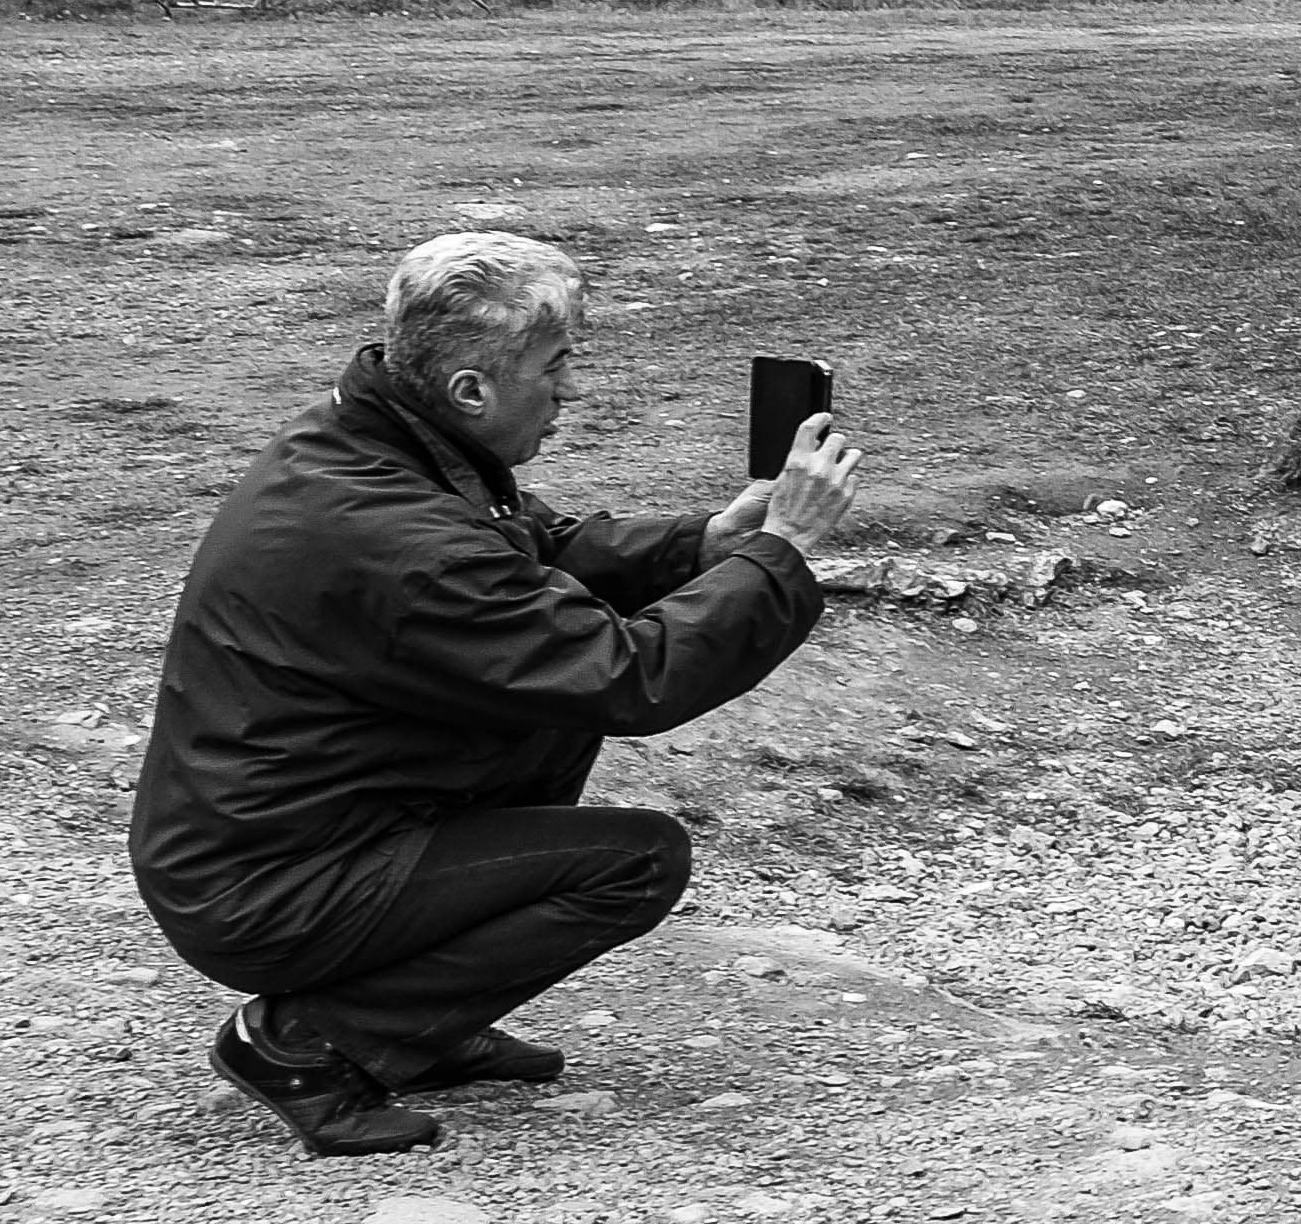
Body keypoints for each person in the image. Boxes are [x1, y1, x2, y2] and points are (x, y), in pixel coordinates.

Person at [130, 231, 866, 1156]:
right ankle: (308, 1039)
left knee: (541, 715)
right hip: (268, 886)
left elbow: (532, 554)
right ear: (471, 389)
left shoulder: (376, 444)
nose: (571, 392)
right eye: (556, 367)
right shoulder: (394, 528)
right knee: (632, 859)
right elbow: (632, 674)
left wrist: (709, 541)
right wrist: (781, 549)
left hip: (292, 834)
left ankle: (423, 1020)